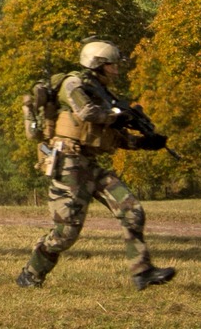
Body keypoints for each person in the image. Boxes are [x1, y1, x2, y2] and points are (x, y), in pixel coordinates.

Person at [18, 40, 176, 291]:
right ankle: (30, 274)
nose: (117, 71)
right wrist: (117, 116)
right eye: (112, 66)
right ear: (98, 65)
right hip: (69, 164)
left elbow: (109, 137)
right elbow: (87, 113)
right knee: (65, 233)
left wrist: (146, 143)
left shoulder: (103, 93)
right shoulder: (75, 84)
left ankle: (142, 272)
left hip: (90, 164)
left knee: (132, 210)